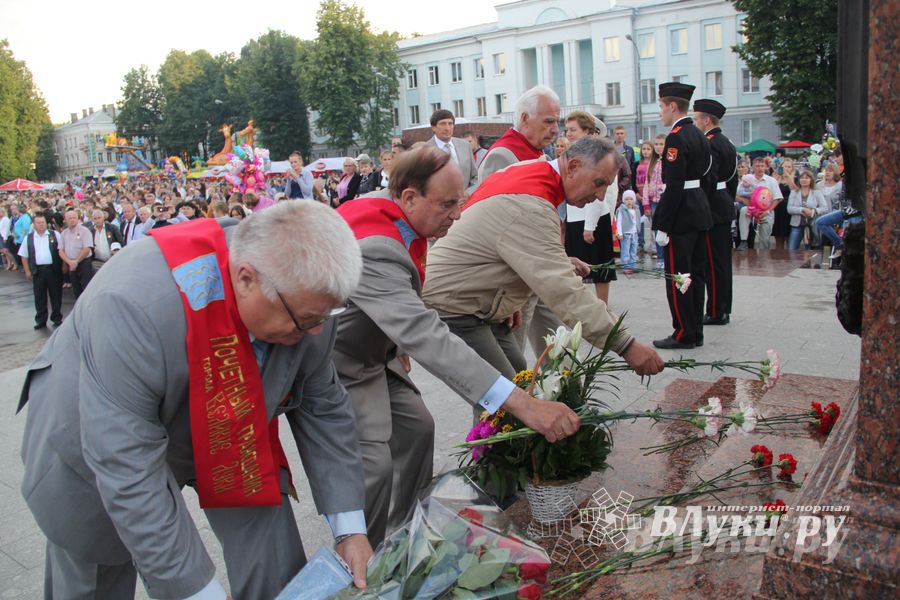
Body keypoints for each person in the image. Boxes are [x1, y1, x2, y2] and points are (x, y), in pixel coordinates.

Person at [19, 201, 374, 599]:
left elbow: (323, 407)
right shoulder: (133, 304)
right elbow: (126, 464)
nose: (315, 332)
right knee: (95, 572)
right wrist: (197, 591)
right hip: (92, 434)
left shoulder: (309, 304)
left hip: (228, 426)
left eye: (324, 317)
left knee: (274, 563)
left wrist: (351, 530)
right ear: (245, 279)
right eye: (306, 320)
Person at [333, 146, 580, 547]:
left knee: (417, 428)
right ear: (409, 197)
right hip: (346, 360)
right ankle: (364, 561)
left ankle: (405, 535)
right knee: (374, 462)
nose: (458, 214)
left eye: (459, 202)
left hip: (379, 349)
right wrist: (520, 402)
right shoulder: (378, 244)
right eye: (448, 204)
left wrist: (500, 303)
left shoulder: (397, 215)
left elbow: (405, 297)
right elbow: (428, 335)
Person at [422, 135, 665, 382]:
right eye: (599, 183)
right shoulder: (531, 204)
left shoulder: (530, 172)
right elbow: (564, 292)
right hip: (453, 304)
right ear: (573, 167)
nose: (601, 196)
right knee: (505, 393)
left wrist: (511, 295)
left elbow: (502, 241)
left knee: (518, 373)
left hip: (476, 299)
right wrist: (625, 345)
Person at [476, 86, 565, 358]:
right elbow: (495, 224)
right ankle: (516, 400)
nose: (555, 129)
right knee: (513, 356)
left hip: (540, 267)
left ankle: (558, 396)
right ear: (525, 118)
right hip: (517, 271)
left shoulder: (538, 152)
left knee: (556, 347)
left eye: (557, 122)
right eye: (548, 121)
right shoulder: (503, 154)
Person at [651, 82, 713, 350]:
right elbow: (707, 177)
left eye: (662, 107)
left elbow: (674, 185)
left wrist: (662, 224)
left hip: (682, 216)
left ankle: (683, 333)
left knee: (679, 277)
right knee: (696, 276)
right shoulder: (699, 134)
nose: (660, 113)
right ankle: (695, 330)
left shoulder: (676, 137)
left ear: (672, 106)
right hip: (698, 211)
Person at [562, 111, 616, 302]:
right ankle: (580, 307)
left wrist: (589, 226)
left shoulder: (597, 156)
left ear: (587, 131)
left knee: (600, 267)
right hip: (574, 216)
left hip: (593, 218)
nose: (568, 133)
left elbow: (600, 194)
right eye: (566, 129)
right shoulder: (570, 154)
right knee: (576, 268)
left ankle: (603, 306)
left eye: (573, 129)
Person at [693, 98, 737, 326]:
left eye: (696, 118)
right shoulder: (726, 141)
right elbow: (733, 179)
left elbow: (708, 179)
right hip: (724, 203)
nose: (695, 122)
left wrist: (702, 205)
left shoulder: (709, 143)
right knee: (721, 262)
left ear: (706, 120)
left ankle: (716, 311)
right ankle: (722, 308)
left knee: (713, 263)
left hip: (713, 207)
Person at [18, 212, 64, 329]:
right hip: (38, 271)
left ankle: (57, 317)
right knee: (39, 296)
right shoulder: (29, 238)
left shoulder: (55, 235)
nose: (41, 225)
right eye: (38, 223)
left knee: (56, 294)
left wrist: (64, 266)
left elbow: (62, 251)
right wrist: (27, 270)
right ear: (34, 224)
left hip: (53, 269)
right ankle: (41, 320)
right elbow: (24, 256)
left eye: (43, 222)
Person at [426, 109, 479, 194]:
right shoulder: (424, 150)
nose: (447, 128)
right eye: (442, 124)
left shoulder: (465, 145)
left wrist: (468, 194)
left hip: (466, 202)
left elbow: (475, 177)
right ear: (433, 127)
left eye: (450, 123)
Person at [736, 157, 783, 250]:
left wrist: (768, 211)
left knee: (764, 242)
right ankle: (743, 241)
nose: (760, 168)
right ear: (753, 167)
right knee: (743, 210)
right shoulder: (747, 179)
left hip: (766, 212)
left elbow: (777, 198)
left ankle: (764, 259)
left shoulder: (771, 181)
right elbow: (736, 195)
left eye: (762, 166)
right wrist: (744, 200)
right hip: (751, 209)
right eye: (757, 166)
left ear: (766, 167)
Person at [787, 169, 828, 250]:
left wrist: (813, 211)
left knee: (810, 250)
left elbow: (824, 208)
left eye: (807, 178)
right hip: (797, 224)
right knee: (791, 248)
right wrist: (802, 210)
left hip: (812, 224)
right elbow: (789, 208)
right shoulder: (794, 192)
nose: (804, 180)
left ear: (811, 180)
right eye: (802, 178)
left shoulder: (816, 192)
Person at [59, 209, 94, 298]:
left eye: (74, 218)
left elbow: (87, 248)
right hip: (71, 264)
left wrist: (76, 261)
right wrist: (69, 262)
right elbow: (60, 250)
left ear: (78, 219)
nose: (72, 220)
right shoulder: (64, 233)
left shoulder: (85, 231)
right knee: (76, 289)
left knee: (86, 288)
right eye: (69, 218)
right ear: (65, 220)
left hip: (83, 263)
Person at [644, 134, 667, 269]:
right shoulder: (651, 163)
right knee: (656, 229)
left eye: (661, 144)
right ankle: (660, 257)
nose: (659, 147)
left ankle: (667, 256)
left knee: (665, 229)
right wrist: (646, 203)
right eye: (656, 144)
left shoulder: (668, 162)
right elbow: (647, 184)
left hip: (665, 199)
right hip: (653, 201)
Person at [616, 191, 639, 274]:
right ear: (623, 200)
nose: (629, 201)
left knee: (633, 251)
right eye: (626, 199)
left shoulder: (636, 209)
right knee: (625, 251)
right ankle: (625, 267)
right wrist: (620, 233)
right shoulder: (621, 210)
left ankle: (633, 266)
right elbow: (619, 222)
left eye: (631, 199)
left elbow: (637, 221)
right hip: (626, 234)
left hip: (634, 234)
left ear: (634, 200)